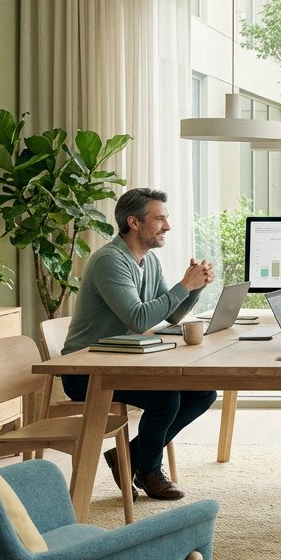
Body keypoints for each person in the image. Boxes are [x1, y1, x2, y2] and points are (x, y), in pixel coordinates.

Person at [61, 188, 216, 501]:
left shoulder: (149, 261)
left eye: (166, 218)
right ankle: (149, 470)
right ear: (133, 222)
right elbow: (139, 319)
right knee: (165, 399)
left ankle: (129, 457)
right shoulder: (110, 261)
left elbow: (170, 314)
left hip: (124, 360)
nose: (167, 226)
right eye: (160, 218)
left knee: (203, 392)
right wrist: (184, 285)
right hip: (88, 369)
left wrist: (195, 288)